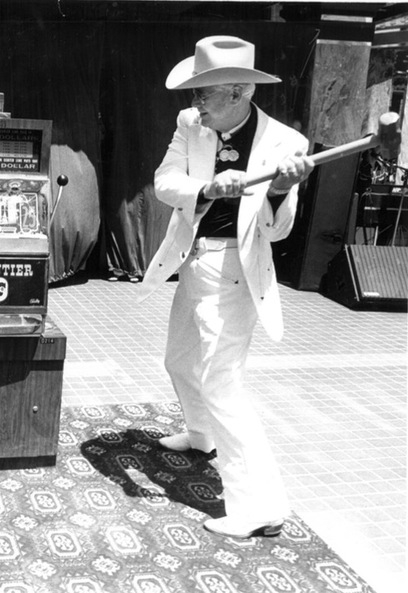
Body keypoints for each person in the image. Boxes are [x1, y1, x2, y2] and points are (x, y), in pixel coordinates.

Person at [137, 36, 314, 539]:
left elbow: (278, 231)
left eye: (204, 93)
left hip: (236, 269)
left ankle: (260, 506)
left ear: (238, 92)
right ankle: (202, 435)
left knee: (223, 382)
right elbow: (165, 181)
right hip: (193, 259)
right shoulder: (190, 124)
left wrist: (280, 189)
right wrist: (208, 187)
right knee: (179, 359)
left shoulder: (287, 144)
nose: (195, 103)